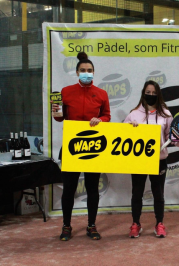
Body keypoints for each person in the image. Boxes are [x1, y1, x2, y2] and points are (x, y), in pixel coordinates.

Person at [52, 52, 111, 241]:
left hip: (93, 147)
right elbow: (60, 117)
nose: (87, 73)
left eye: (90, 71)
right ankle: (66, 225)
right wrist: (56, 112)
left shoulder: (101, 94)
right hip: (72, 147)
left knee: (92, 188)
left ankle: (91, 226)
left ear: (94, 73)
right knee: (69, 188)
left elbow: (107, 116)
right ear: (77, 72)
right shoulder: (65, 91)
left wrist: (99, 119)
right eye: (83, 70)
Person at [124, 80, 179, 238]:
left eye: (154, 93)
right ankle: (136, 224)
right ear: (143, 93)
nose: (150, 95)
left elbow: (171, 137)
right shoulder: (133, 114)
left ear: (158, 94)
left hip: (159, 160)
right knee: (136, 193)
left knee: (158, 194)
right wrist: (129, 129)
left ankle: (159, 223)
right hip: (139, 161)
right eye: (148, 92)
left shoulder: (165, 114)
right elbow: (123, 136)